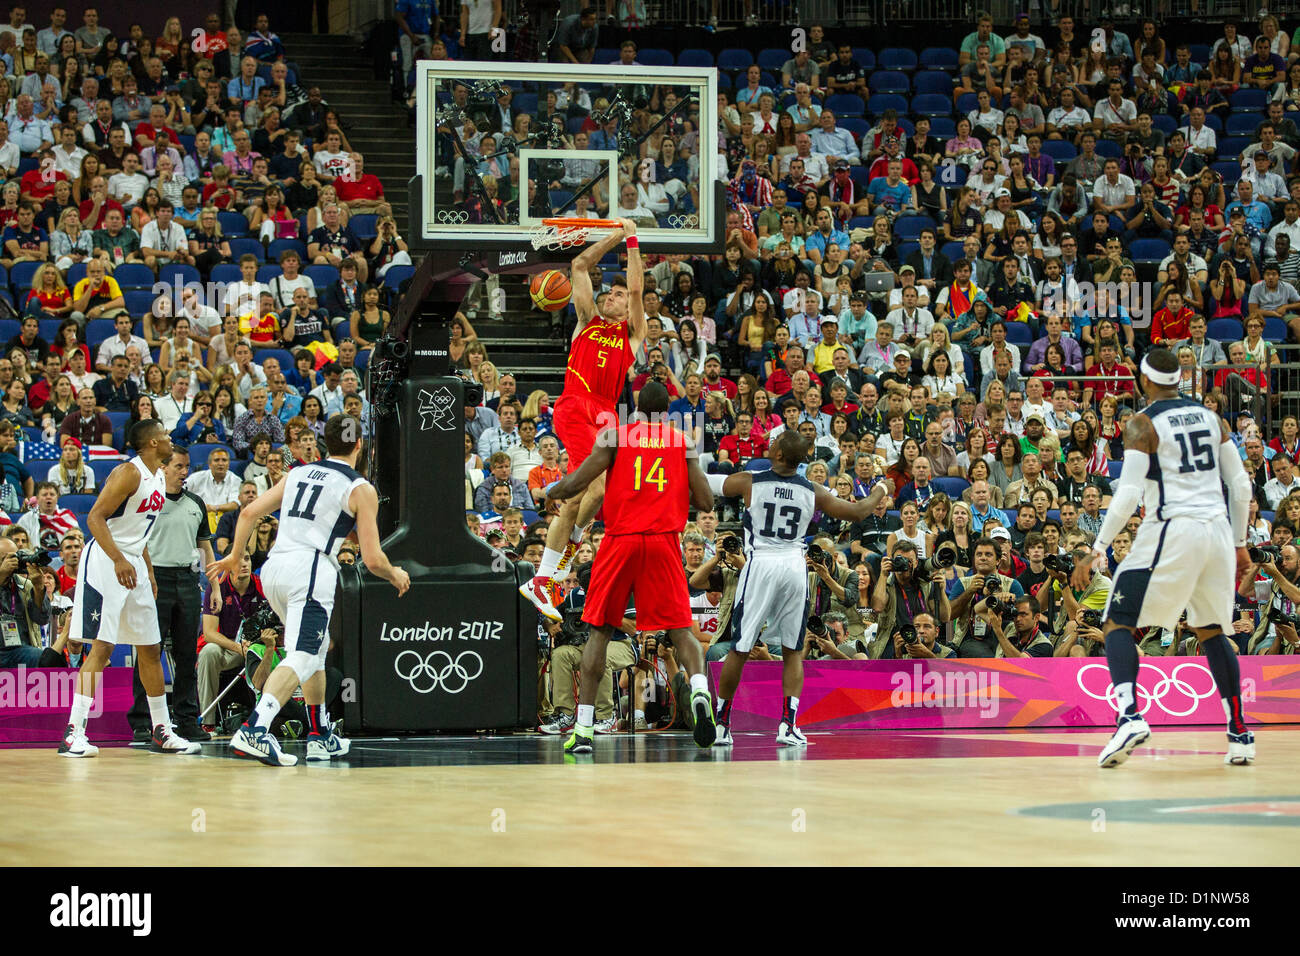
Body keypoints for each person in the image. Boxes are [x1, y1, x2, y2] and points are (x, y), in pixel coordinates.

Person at [1079, 347, 1255, 769]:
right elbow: (1242, 485)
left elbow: (1128, 493)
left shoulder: (1143, 422)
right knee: (1211, 630)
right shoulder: (1214, 419)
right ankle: (1240, 734)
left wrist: (1098, 546)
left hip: (1173, 529)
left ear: (1143, 381)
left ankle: (1129, 716)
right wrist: (1239, 541)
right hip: (1217, 532)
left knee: (1116, 620)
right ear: (1179, 379)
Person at [206, 415, 410, 766]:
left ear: (324, 443)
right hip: (311, 571)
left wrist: (235, 555)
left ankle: (319, 733)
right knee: (301, 654)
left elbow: (249, 512)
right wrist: (395, 574)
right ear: (360, 446)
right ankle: (256, 729)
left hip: (273, 569)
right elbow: (373, 558)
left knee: (313, 650)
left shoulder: (297, 472)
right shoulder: (360, 488)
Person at [544, 383, 717, 755]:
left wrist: (554, 492)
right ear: (669, 407)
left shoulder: (614, 436)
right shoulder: (682, 441)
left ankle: (586, 728)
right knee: (681, 630)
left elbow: (577, 482)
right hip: (664, 541)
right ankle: (700, 687)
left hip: (621, 540)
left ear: (635, 405)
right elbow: (705, 501)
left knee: (599, 633)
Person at [710, 430, 894, 746]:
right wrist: (880, 488)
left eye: (775, 443)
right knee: (794, 650)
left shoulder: (749, 480)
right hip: (794, 565)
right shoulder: (812, 490)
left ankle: (722, 724)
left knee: (740, 647)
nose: (770, 445)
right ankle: (788, 725)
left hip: (762, 563)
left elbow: (705, 482)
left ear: (780, 455)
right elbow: (858, 511)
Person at [520, 220, 644, 620]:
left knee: (593, 495)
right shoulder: (587, 321)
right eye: (611, 292)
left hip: (606, 410)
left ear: (628, 308)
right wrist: (617, 236)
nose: (614, 296)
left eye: (620, 295)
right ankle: (550, 572)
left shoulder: (631, 335)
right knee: (584, 492)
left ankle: (547, 576)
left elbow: (639, 289)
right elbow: (578, 265)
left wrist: (635, 241)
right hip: (576, 405)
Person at [57, 419, 201, 757]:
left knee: (150, 648)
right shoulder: (129, 472)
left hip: (133, 562)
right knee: (102, 649)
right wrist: (120, 560)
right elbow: (94, 518)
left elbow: (141, 530)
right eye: (164, 435)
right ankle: (73, 732)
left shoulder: (157, 478)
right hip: (107, 562)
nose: (169, 438)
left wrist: (147, 570)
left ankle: (162, 730)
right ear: (152, 443)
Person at [124, 446, 216, 743]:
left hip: (187, 580)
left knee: (187, 654)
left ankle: (186, 719)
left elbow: (205, 546)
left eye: (187, 466)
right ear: (163, 468)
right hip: (155, 579)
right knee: (149, 651)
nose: (183, 471)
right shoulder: (151, 501)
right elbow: (136, 541)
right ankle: (143, 720)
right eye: (178, 466)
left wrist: (213, 584)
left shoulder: (195, 503)